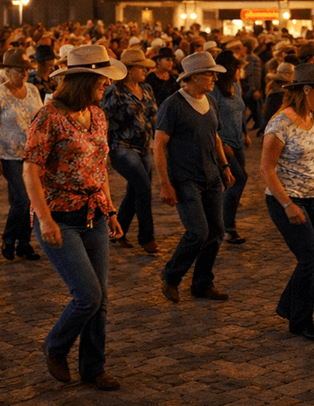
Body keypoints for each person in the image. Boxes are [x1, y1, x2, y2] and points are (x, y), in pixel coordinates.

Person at [23, 45, 125, 390]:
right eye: (101, 80)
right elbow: (30, 171)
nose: (105, 86)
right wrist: (45, 219)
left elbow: (100, 167)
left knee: (102, 300)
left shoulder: (97, 115)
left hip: (93, 214)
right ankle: (56, 346)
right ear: (84, 79)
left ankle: (93, 368)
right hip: (60, 218)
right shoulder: (49, 115)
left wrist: (110, 209)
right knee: (88, 295)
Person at [261, 63, 314, 341]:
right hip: (287, 198)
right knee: (310, 258)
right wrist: (287, 205)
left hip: (312, 196)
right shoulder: (281, 122)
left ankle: (288, 307)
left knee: (313, 260)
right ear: (306, 90)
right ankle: (302, 321)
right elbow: (266, 169)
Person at [155, 51, 235, 304]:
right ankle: (171, 276)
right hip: (185, 178)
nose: (214, 79)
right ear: (194, 77)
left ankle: (202, 283)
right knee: (197, 233)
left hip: (211, 176)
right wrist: (165, 184)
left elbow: (216, 136)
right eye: (210, 74)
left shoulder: (210, 101)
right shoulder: (173, 105)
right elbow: (158, 146)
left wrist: (224, 166)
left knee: (216, 232)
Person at [0, 48, 43, 261]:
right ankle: (9, 239)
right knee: (22, 198)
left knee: (31, 199)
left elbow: (40, 121)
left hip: (32, 155)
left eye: (26, 70)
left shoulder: (33, 91)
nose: (24, 74)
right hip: (9, 155)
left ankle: (23, 243)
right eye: (20, 70)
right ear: (7, 71)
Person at [101, 47, 161, 254]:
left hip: (144, 147)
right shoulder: (115, 91)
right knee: (144, 188)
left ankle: (118, 232)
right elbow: (103, 117)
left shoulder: (147, 89)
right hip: (122, 147)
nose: (145, 70)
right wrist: (103, 149)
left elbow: (154, 115)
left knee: (135, 190)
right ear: (129, 69)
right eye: (140, 67)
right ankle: (147, 238)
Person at [209, 50, 250, 244]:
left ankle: (221, 223)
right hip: (223, 143)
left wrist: (245, 132)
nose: (240, 71)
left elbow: (240, 111)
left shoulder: (235, 86)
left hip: (238, 142)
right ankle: (227, 227)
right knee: (238, 179)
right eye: (237, 68)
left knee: (231, 183)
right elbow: (212, 119)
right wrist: (222, 144)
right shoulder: (214, 90)